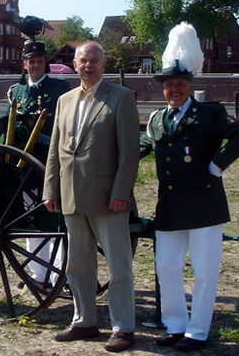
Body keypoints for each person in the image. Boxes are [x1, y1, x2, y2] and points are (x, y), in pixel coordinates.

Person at [140, 22, 239, 352]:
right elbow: (143, 145)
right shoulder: (157, 119)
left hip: (205, 206)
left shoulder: (209, 114)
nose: (174, 89)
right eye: (168, 84)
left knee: (204, 273)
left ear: (189, 84)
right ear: (162, 88)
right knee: (166, 268)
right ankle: (176, 325)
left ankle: (198, 331)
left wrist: (215, 166)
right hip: (171, 207)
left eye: (179, 83)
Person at [42, 41, 139, 353]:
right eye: (83, 60)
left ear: (104, 63)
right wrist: (50, 190)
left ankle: (123, 327)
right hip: (71, 196)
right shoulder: (65, 100)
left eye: (94, 60)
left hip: (107, 198)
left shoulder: (121, 98)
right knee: (78, 264)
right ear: (74, 62)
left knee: (118, 265)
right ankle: (84, 320)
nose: (88, 66)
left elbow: (130, 153)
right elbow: (55, 150)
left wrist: (120, 193)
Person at [7, 38, 70, 287]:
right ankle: (38, 274)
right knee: (31, 223)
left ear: (46, 64)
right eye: (31, 61)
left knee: (56, 221)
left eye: (40, 61)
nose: (35, 66)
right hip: (25, 165)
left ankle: (59, 276)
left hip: (52, 163)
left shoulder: (60, 90)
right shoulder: (16, 91)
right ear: (24, 64)